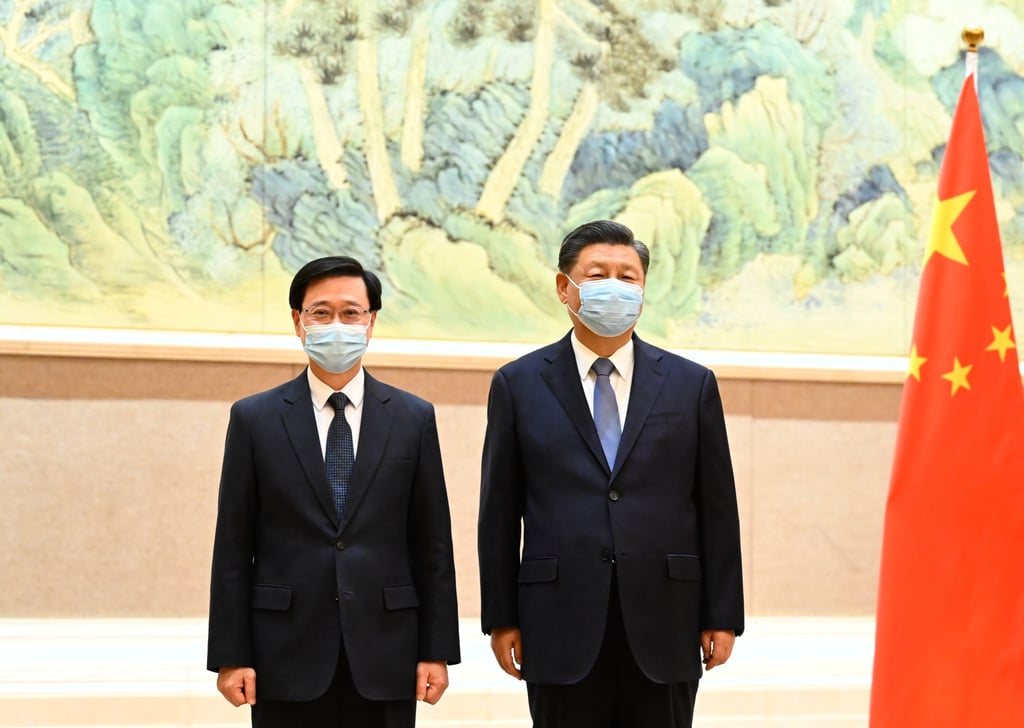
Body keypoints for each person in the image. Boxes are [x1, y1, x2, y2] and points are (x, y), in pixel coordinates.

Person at [477, 220, 744, 727]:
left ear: (643, 290)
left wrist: (723, 614)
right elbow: (498, 513)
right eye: (598, 275)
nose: (614, 287)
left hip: (666, 617)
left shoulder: (691, 384)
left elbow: (717, 509)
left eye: (628, 277)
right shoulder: (518, 384)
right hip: (558, 619)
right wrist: (501, 617)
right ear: (564, 287)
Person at [207, 255, 460, 727]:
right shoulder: (254, 419)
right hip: (284, 650)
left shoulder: (413, 418)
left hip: (387, 648)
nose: (337, 325)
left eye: (350, 313)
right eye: (321, 313)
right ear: (298, 322)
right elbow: (233, 547)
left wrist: (437, 649)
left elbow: (432, 545)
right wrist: (230, 655)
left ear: (371, 322)